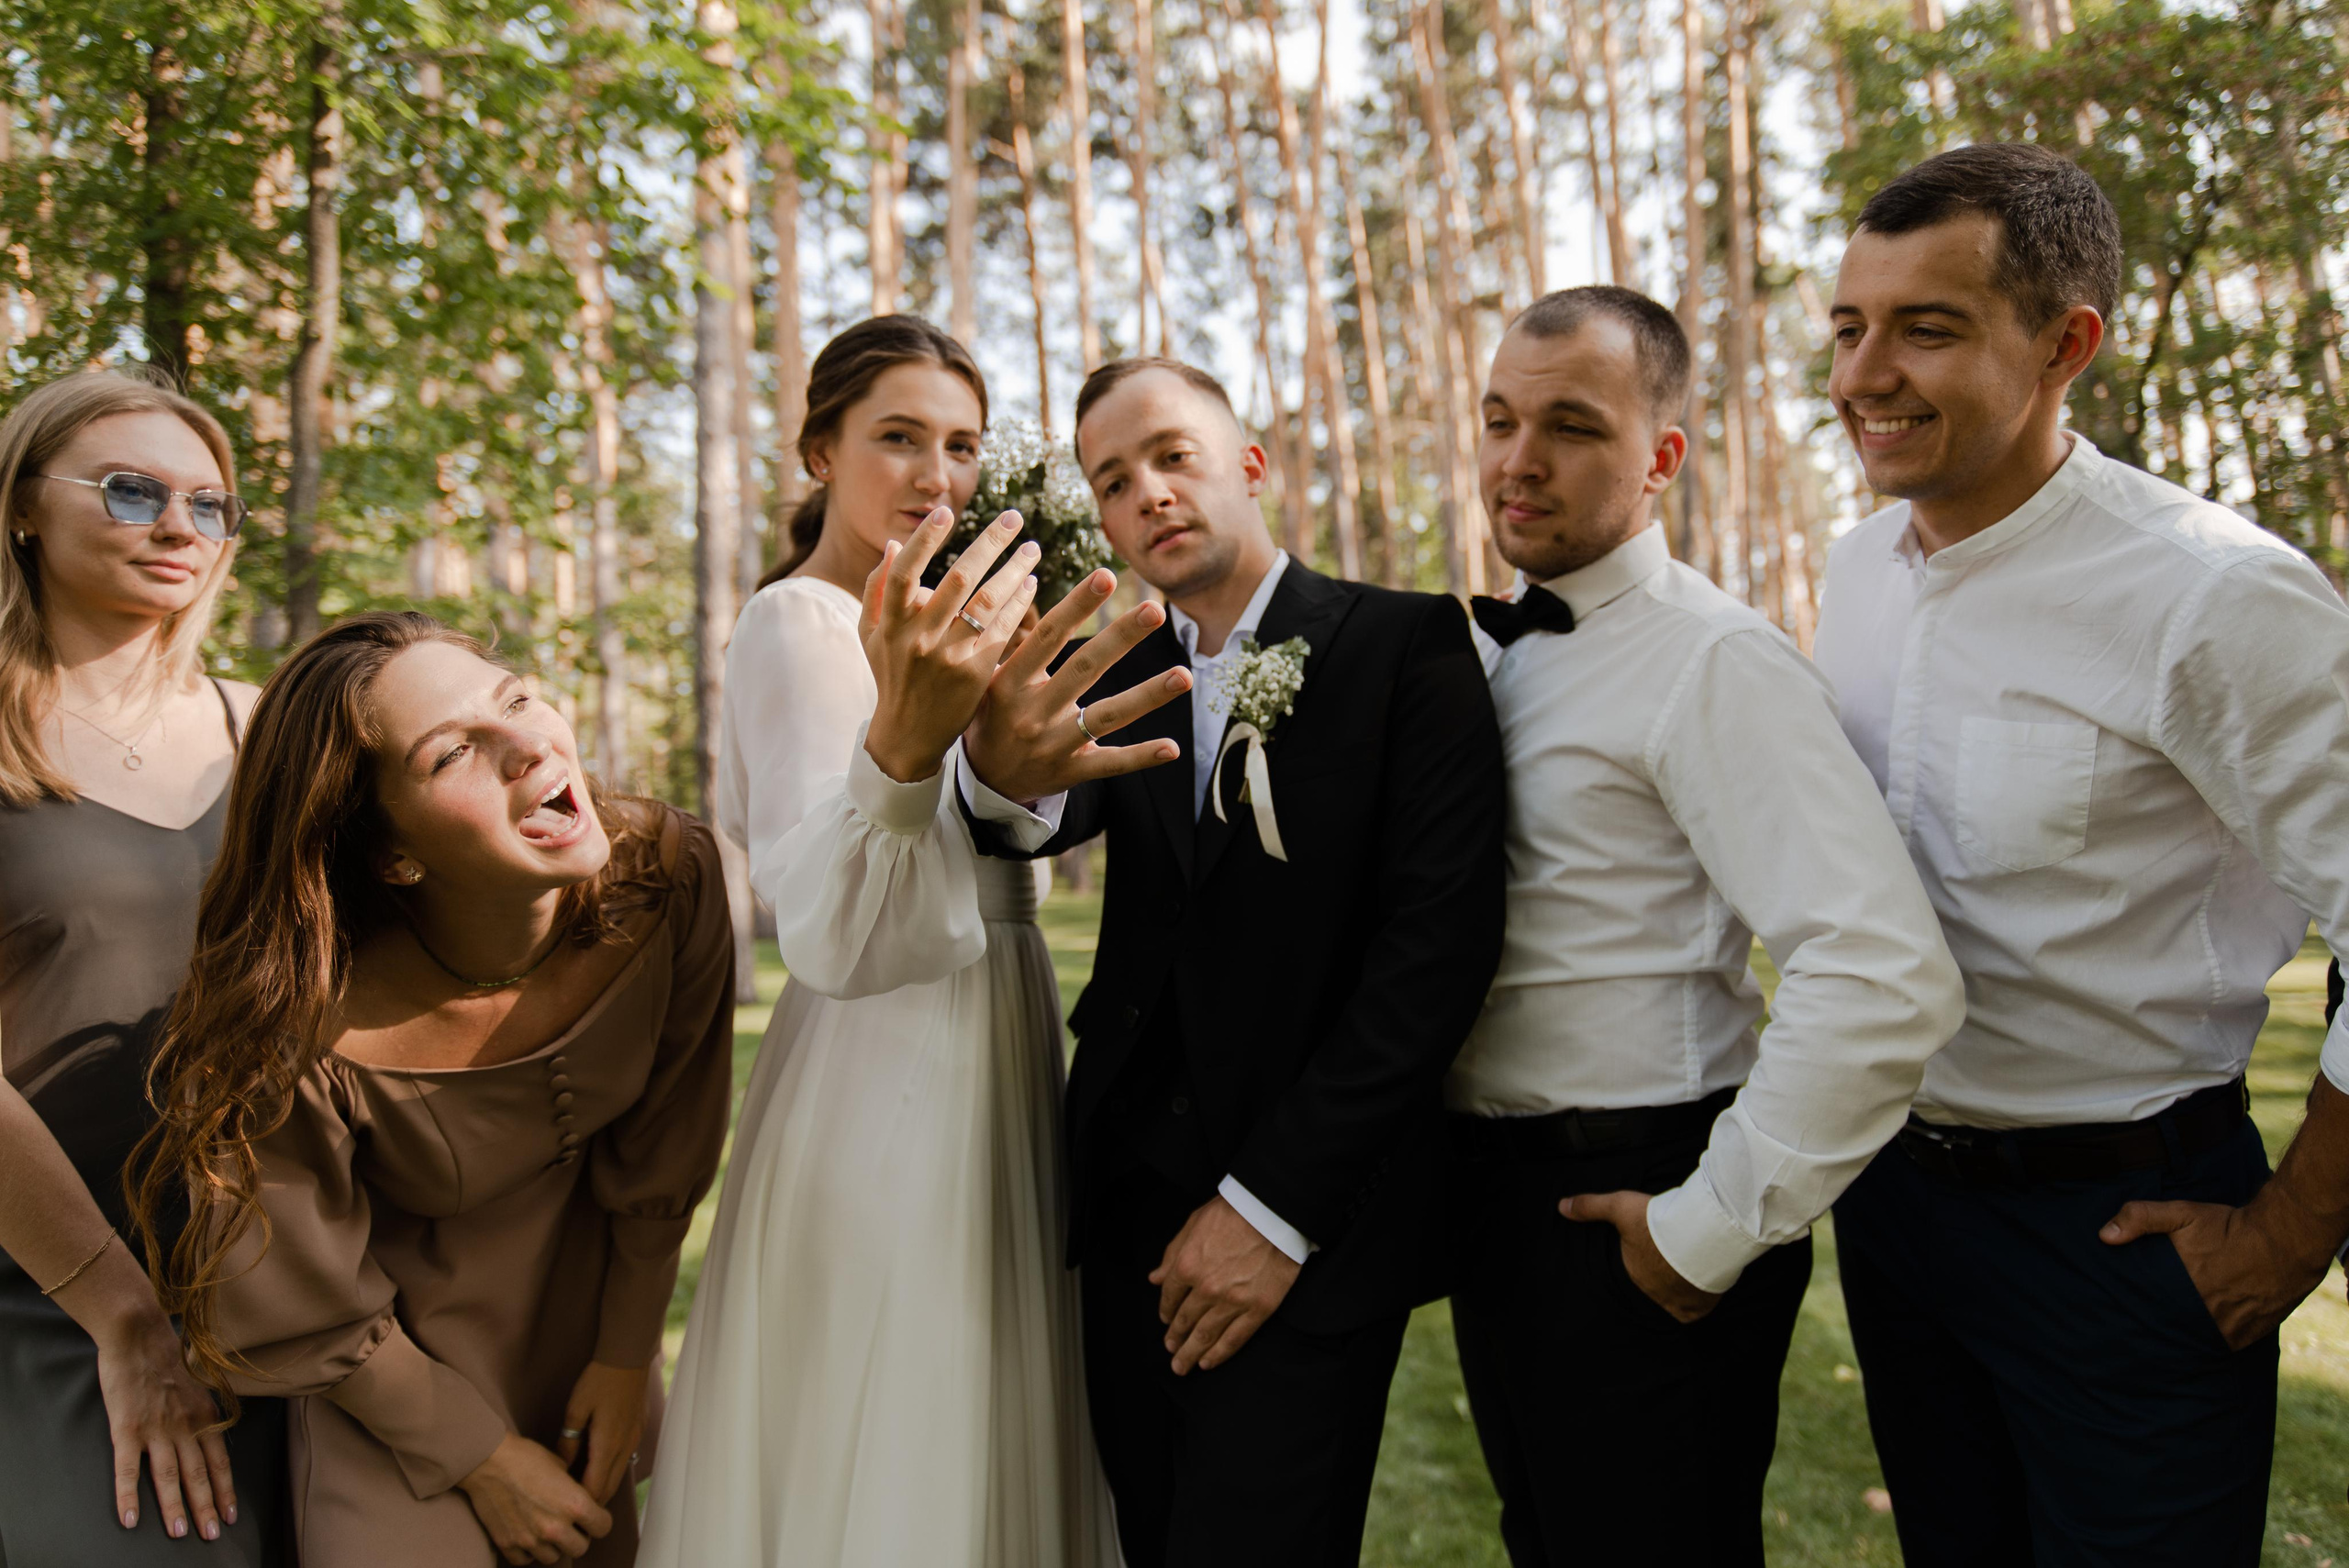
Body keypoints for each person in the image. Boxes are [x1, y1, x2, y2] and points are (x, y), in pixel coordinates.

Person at [1811, 142, 2349, 1567]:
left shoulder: (2214, 595)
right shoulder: (1854, 572)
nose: (1865, 373)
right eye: (1848, 326)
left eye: (1926, 328)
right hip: (1898, 1215)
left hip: (2126, 1237)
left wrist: (2292, 1234)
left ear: (2067, 345)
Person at [640, 316, 1180, 1568]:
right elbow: (835, 919)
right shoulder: (806, 626)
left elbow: (981, 824)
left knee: (995, 1386)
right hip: (888, 1057)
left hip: (997, 1017)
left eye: (960, 444)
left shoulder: (962, 625)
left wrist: (1006, 778)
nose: (935, 474)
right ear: (818, 451)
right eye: (897, 438)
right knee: (905, 1397)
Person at [957, 357, 1508, 1568]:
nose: (1147, 491)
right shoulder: (1117, 676)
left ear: (1249, 464)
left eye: (1173, 455)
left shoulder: (1406, 644)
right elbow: (1027, 817)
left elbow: (1436, 953)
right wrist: (994, 755)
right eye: (1112, 479)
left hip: (1305, 1220)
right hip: (1119, 1213)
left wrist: (1271, 1213)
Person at [1446, 286, 1965, 1567]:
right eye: (1500, 419)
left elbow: (1881, 972)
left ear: (1661, 458)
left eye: (1569, 425)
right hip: (1500, 1208)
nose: (1518, 460)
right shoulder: (1505, 653)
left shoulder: (1712, 658)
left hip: (1642, 1193)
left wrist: (1712, 1224)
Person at [132, 611, 736, 1568]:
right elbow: (298, 1295)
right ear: (391, 853)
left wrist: (625, 1356)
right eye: (454, 750)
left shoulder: (669, 877)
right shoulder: (299, 1020)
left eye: (516, 699)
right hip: (386, 1380)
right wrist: (479, 1455)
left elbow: (667, 1149)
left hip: (583, 1351)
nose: (529, 742)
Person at [0, 369, 285, 1564]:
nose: (180, 527)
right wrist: (120, 1313)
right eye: (131, 491)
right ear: (23, 506)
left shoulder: (270, 727)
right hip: (55, 1281)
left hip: (292, 1272)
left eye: (209, 505)